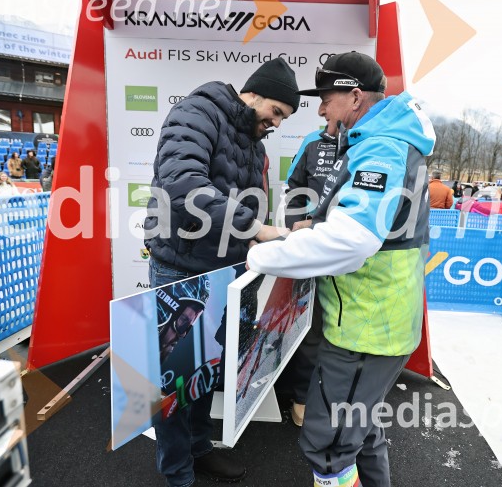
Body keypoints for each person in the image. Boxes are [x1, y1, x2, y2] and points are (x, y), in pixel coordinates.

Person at [247, 52, 436, 487]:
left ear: (354, 96)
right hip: (371, 322)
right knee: (361, 433)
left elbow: (353, 241)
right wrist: (310, 228)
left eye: (326, 98)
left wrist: (260, 257)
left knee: (328, 445)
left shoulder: (383, 147)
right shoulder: (381, 141)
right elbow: (366, 226)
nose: (321, 110)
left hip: (366, 328)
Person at [143, 56, 300, 487]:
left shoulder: (255, 143)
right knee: (174, 380)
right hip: (178, 270)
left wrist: (251, 241)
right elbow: (183, 186)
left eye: (283, 119)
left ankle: (199, 449)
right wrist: (255, 229)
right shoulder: (197, 112)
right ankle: (177, 473)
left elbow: (240, 204)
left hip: (222, 271)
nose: (276, 123)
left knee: (206, 371)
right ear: (255, 95)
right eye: (276, 112)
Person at [274, 125, 339, 427]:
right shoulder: (313, 141)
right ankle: (302, 396)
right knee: (312, 328)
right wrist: (299, 234)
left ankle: (341, 396)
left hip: (358, 257)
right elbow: (293, 192)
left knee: (345, 332)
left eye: (327, 103)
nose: (323, 111)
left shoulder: (374, 143)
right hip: (316, 254)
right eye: (322, 104)